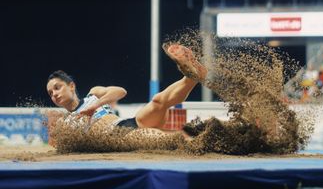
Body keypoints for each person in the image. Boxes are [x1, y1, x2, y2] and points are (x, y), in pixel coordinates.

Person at [46, 43, 207, 137]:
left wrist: (95, 106)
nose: (54, 94)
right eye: (51, 93)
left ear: (71, 86)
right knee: (165, 137)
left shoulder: (93, 94)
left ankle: (191, 76)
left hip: (128, 123)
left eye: (57, 88)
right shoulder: (65, 122)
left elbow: (121, 92)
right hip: (119, 138)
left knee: (158, 100)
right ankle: (201, 137)